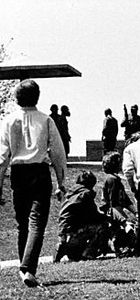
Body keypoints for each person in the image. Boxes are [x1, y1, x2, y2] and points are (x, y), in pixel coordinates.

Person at [0, 79, 67, 287]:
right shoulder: (45, 120)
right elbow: (57, 153)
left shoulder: (9, 121)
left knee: (22, 223)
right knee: (37, 221)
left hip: (18, 172)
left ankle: (25, 266)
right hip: (39, 171)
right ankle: (28, 267)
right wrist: (61, 182)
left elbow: (2, 157)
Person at [54, 171, 110, 262]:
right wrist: (107, 217)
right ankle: (88, 254)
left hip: (64, 233)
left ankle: (63, 247)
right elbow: (93, 215)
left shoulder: (71, 194)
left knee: (75, 255)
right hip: (74, 233)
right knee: (102, 226)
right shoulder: (85, 194)